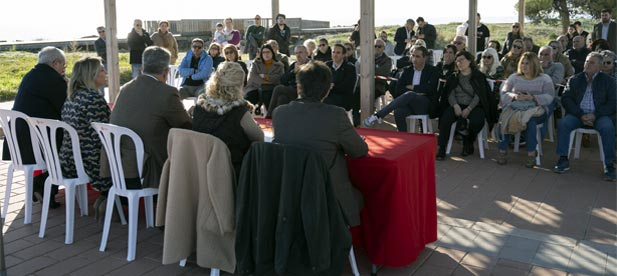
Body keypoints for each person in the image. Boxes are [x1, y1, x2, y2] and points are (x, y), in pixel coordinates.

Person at [272, 61, 368, 227]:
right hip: (327, 198)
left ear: (299, 87)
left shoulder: (279, 113)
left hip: (288, 196)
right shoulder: (336, 116)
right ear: (327, 89)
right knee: (364, 196)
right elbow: (359, 151)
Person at [106, 46, 192, 189]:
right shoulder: (166, 92)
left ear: (142, 68)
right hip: (148, 169)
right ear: (166, 72)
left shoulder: (125, 88)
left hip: (119, 164)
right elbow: (186, 125)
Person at [1, 46, 68, 208]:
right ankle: (42, 183)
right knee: (70, 147)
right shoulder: (54, 79)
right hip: (36, 143)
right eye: (64, 66)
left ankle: (42, 186)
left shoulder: (30, 76)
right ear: (55, 63)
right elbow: (65, 109)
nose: (64, 70)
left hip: (18, 141)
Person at [59, 57, 111, 219]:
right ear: (92, 75)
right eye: (102, 70)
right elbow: (106, 134)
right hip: (88, 162)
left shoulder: (72, 96)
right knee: (135, 155)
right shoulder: (93, 99)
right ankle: (113, 197)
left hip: (68, 159)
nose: (106, 73)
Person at [192, 61, 263, 177]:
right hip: (230, 172)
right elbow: (259, 138)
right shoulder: (238, 112)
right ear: (239, 85)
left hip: (200, 168)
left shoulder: (199, 106)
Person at [553, 52, 616, 181]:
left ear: (599, 66)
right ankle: (563, 159)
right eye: (587, 61)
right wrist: (580, 114)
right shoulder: (575, 79)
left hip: (599, 115)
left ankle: (609, 165)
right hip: (578, 115)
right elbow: (566, 98)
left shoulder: (609, 81)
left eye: (591, 62)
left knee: (608, 127)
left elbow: (613, 102)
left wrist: (595, 115)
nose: (587, 64)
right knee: (564, 124)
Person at [436, 51, 497, 160]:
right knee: (445, 119)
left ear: (469, 61)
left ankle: (468, 141)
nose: (459, 63)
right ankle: (442, 148)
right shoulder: (453, 77)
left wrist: (469, 108)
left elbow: (479, 95)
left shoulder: (478, 77)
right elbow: (450, 93)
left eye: (462, 60)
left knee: (477, 121)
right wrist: (455, 105)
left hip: (474, 106)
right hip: (456, 105)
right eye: (457, 61)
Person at [497, 52, 555, 167]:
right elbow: (504, 93)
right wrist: (514, 96)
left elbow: (550, 97)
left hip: (537, 110)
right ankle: (502, 151)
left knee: (531, 122)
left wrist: (533, 97)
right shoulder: (514, 78)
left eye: (527, 63)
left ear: (534, 64)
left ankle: (531, 154)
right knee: (504, 118)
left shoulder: (545, 79)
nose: (524, 66)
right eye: (522, 63)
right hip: (517, 108)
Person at [363, 46, 440, 131]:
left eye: (417, 56)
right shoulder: (407, 71)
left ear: (425, 58)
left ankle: (378, 115)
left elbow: (430, 89)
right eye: (413, 55)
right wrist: (417, 91)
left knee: (410, 94)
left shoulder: (433, 71)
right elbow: (399, 89)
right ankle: (403, 138)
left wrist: (412, 87)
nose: (414, 59)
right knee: (398, 111)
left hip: (424, 104)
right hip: (408, 104)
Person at [266, 45, 311, 119]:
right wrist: (293, 72)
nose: (298, 55)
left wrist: (302, 71)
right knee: (282, 98)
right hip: (292, 90)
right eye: (296, 53)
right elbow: (283, 80)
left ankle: (269, 116)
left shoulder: (311, 64)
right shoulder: (294, 65)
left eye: (300, 52)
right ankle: (278, 120)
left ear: (306, 53)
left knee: (278, 88)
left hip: (304, 91)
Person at [244, 44, 285, 114]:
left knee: (269, 97)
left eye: (268, 52)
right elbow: (252, 78)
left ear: (272, 53)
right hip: (255, 87)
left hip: (271, 89)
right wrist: (270, 80)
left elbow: (279, 78)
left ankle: (270, 118)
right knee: (249, 99)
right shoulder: (256, 63)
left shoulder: (279, 65)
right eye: (264, 52)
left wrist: (266, 77)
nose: (266, 54)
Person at [324, 44, 356, 110]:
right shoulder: (326, 65)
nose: (335, 55)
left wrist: (332, 86)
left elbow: (348, 86)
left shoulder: (350, 68)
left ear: (344, 55)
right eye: (333, 52)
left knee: (326, 103)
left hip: (343, 97)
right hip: (327, 95)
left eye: (338, 53)